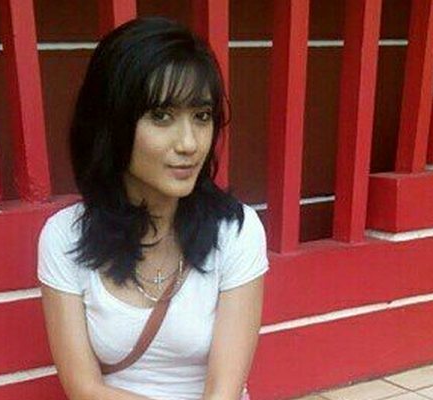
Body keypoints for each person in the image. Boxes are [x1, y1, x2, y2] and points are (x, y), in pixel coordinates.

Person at [37, 16, 269, 400]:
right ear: (112, 123)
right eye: (162, 116)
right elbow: (83, 388)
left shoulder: (236, 230)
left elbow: (223, 393)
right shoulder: (64, 237)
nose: (190, 143)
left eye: (202, 116)